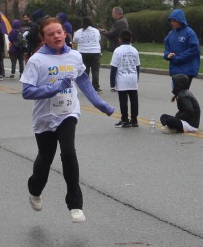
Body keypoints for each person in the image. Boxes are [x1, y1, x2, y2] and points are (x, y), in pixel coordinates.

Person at [21, 18, 115, 223]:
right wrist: (53, 88)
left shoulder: (74, 56)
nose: (56, 36)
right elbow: (27, 92)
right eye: (50, 34)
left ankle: (75, 204)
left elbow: (83, 81)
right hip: (44, 117)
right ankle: (35, 190)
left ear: (65, 33)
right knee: (45, 158)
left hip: (68, 112)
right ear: (44, 38)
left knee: (69, 152)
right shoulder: (37, 60)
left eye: (59, 32)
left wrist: (100, 104)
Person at [110, 29, 141, 127]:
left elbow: (113, 68)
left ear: (120, 39)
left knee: (123, 101)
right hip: (133, 78)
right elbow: (137, 67)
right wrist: (137, 79)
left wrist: (112, 84)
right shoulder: (135, 50)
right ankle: (134, 120)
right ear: (131, 39)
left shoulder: (118, 51)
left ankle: (125, 119)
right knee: (134, 100)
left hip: (122, 79)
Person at [163, 9, 201, 87]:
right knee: (176, 91)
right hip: (175, 69)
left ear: (180, 21)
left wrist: (178, 58)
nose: (172, 23)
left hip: (187, 69)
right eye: (171, 21)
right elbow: (167, 48)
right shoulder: (170, 34)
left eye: (174, 21)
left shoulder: (189, 33)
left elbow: (194, 49)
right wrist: (167, 55)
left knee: (182, 92)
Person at [72, 17, 103, 91]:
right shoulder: (95, 31)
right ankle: (96, 87)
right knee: (95, 70)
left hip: (83, 52)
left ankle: (86, 87)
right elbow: (98, 39)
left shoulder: (79, 31)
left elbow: (75, 40)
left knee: (85, 70)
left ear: (82, 23)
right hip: (95, 52)